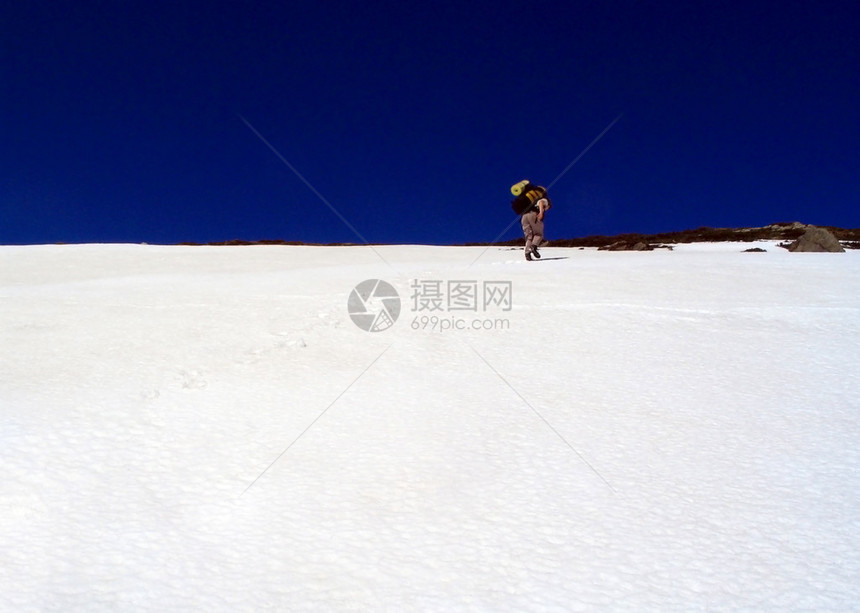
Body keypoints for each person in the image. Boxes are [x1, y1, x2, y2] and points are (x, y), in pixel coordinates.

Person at [519, 185, 551, 261]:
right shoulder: (544, 199)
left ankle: (527, 253)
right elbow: (541, 202)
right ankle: (534, 246)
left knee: (529, 237)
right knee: (538, 234)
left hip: (524, 217)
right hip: (533, 215)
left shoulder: (531, 200)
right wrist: (541, 212)